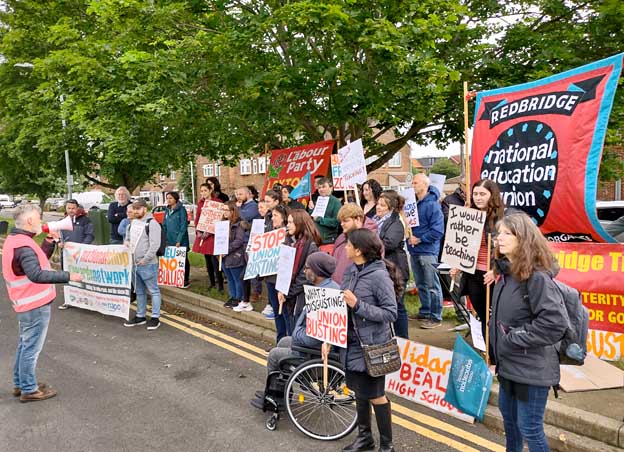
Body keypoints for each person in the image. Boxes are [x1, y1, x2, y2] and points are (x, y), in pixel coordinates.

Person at [490, 212, 568, 452]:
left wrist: (514, 338)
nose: (498, 238)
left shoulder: (536, 278)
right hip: (509, 366)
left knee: (530, 429)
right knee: (511, 427)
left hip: (531, 370)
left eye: (506, 234)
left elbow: (555, 322)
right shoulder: (505, 273)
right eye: (498, 233)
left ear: (523, 238)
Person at [325, 228, 399, 452]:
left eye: (348, 245)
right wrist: (329, 336)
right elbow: (341, 308)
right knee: (359, 391)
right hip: (351, 343)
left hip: (372, 347)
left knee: (376, 395)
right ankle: (364, 438)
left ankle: (387, 446)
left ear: (359, 250)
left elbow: (390, 313)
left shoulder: (379, 276)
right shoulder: (350, 270)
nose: (344, 248)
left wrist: (358, 305)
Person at [2, 204, 83, 402]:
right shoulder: (23, 245)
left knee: (24, 344)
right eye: (39, 218)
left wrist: (48, 242)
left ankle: (21, 383)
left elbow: (36, 262)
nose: (41, 221)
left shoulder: (18, 240)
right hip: (34, 305)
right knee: (31, 347)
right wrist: (69, 275)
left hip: (26, 303)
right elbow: (36, 274)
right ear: (30, 221)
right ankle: (29, 389)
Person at [251, 252, 339, 409]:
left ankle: (276, 398)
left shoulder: (324, 296)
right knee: (284, 341)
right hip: (316, 346)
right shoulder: (329, 287)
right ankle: (280, 391)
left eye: (307, 268)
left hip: (315, 352)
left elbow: (314, 337)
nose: (305, 271)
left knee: (274, 355)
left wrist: (297, 332)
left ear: (317, 271)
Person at [450, 179, 505, 340]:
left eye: (482, 194)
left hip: (494, 275)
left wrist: (496, 270)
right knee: (483, 316)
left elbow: (508, 252)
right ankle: (488, 354)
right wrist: (458, 264)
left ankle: (498, 354)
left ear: (492, 195)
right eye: (475, 194)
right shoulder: (468, 216)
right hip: (474, 275)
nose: (478, 198)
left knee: (497, 317)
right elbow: (463, 246)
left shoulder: (502, 219)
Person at [407, 173, 444, 329]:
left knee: (432, 285)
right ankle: (425, 311)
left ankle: (435, 316)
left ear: (424, 184)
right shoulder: (414, 203)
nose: (412, 185)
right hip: (415, 249)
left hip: (427, 250)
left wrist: (420, 239)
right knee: (421, 283)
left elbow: (438, 230)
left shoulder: (432, 205)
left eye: (415, 182)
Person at [375, 192, 410, 339]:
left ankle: (402, 338)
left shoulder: (396, 222)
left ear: (391, 208)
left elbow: (390, 243)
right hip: (384, 265)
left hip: (396, 267)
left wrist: (370, 246)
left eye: (382, 205)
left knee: (398, 305)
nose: (378, 207)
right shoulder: (377, 220)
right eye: (378, 204)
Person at [124, 199, 163, 330]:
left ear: (144, 209)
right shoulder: (132, 223)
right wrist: (127, 243)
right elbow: (127, 238)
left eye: (138, 209)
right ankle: (140, 316)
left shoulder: (152, 224)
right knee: (139, 291)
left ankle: (155, 317)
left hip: (148, 264)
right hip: (134, 263)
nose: (135, 211)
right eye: (134, 209)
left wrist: (145, 259)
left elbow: (155, 245)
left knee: (153, 291)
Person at [277, 209, 322, 318]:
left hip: (300, 297)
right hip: (288, 296)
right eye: (287, 222)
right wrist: (281, 289)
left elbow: (305, 276)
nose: (288, 225)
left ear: (300, 224)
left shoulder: (311, 246)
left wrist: (289, 292)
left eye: (291, 222)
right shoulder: (288, 241)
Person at [57, 199, 95, 309]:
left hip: (81, 254)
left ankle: (85, 299)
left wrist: (81, 247)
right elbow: (57, 236)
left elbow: (90, 235)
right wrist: (59, 242)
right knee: (67, 276)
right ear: (66, 208)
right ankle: (68, 300)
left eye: (73, 208)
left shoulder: (86, 220)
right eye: (69, 208)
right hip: (67, 255)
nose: (71, 210)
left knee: (83, 276)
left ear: (77, 208)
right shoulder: (62, 221)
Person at [332, 204, 379, 284]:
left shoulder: (371, 239)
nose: (342, 224)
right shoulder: (341, 238)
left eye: (345, 221)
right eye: (341, 221)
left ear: (358, 219)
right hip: (339, 288)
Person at [264, 204, 291, 342]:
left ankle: (289, 342)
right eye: (272, 215)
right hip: (270, 277)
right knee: (276, 311)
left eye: (275, 216)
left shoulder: (289, 235)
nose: (272, 218)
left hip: (282, 278)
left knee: (285, 312)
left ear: (284, 218)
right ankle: (280, 341)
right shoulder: (269, 232)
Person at [192, 183, 224, 292]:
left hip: (213, 236)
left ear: (210, 190)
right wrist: (198, 231)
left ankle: (220, 285)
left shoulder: (218, 203)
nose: (203, 193)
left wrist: (210, 231)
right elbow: (197, 218)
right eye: (201, 191)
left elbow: (219, 219)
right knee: (208, 261)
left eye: (205, 190)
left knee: (215, 261)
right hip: (203, 236)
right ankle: (212, 283)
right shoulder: (201, 203)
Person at [217, 202, 247, 310]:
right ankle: (233, 296)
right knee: (229, 278)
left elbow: (239, 241)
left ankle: (238, 298)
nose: (224, 212)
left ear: (232, 211)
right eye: (223, 210)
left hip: (235, 256)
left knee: (237, 278)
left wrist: (226, 249)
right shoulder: (223, 224)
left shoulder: (239, 224)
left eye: (226, 210)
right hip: (224, 256)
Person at [163, 191, 191, 288]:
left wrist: (179, 240)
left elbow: (183, 226)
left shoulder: (181, 210)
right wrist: (164, 239)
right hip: (169, 239)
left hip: (180, 240)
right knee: (173, 260)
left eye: (170, 198)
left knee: (183, 260)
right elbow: (164, 225)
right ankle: (175, 279)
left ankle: (185, 279)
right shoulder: (167, 210)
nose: (168, 200)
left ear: (175, 199)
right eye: (167, 198)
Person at [307, 177, 342, 250]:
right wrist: (311, 209)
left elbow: (336, 222)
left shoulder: (336, 202)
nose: (321, 189)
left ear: (331, 188)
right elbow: (312, 218)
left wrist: (320, 219)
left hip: (328, 242)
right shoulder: (317, 201)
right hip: (315, 241)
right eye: (319, 187)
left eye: (324, 187)